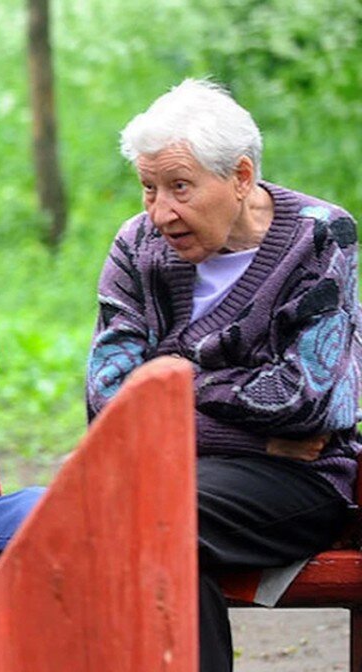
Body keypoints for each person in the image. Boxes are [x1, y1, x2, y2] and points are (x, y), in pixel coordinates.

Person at [87, 78, 361, 671]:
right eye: (149, 188)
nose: (160, 212)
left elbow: (310, 402)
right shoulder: (136, 246)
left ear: (240, 176)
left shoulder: (320, 236)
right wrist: (255, 437)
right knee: (143, 525)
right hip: (202, 466)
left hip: (298, 481)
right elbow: (108, 403)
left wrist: (173, 379)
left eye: (179, 187)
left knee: (146, 518)